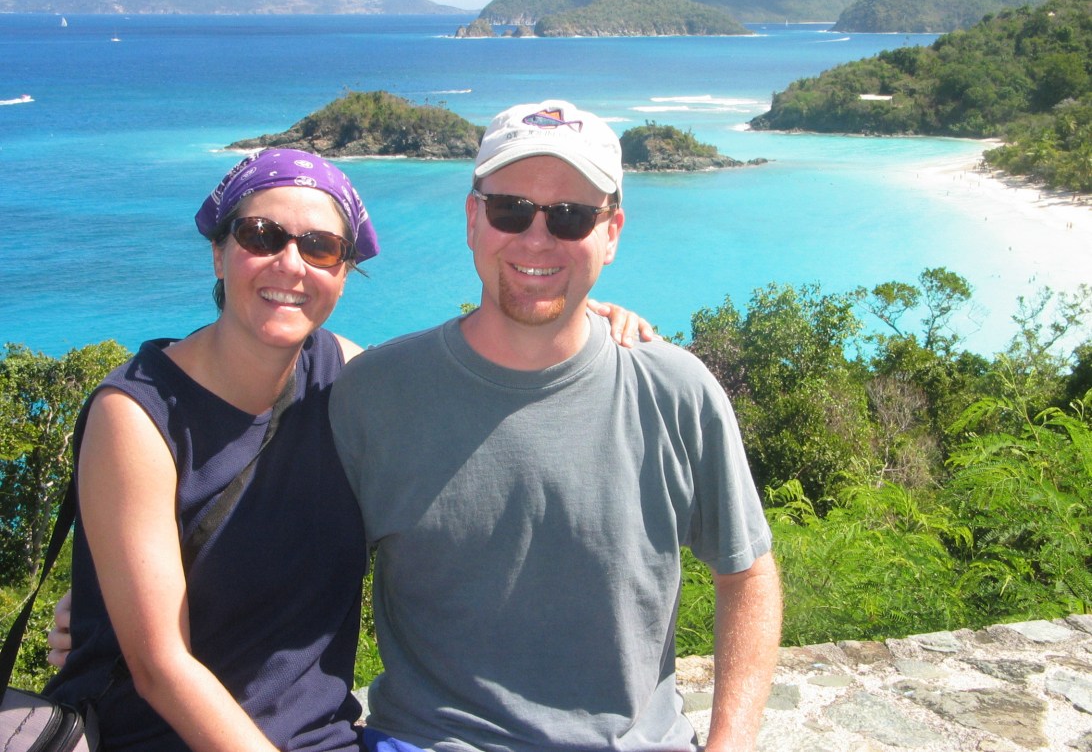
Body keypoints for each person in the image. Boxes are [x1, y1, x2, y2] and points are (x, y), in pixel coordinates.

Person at [43, 148, 651, 751]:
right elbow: (160, 668)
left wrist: (574, 318)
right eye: (262, 236)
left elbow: (479, 385)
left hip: (324, 739)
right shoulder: (139, 415)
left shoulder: (348, 378)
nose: (290, 264)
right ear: (219, 252)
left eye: (320, 247)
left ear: (341, 272)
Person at [328, 100, 783, 752]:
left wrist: (729, 744)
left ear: (613, 233)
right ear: (472, 218)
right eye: (511, 208)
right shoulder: (376, 394)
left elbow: (748, 575)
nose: (537, 238)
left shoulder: (675, 392)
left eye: (571, 217)